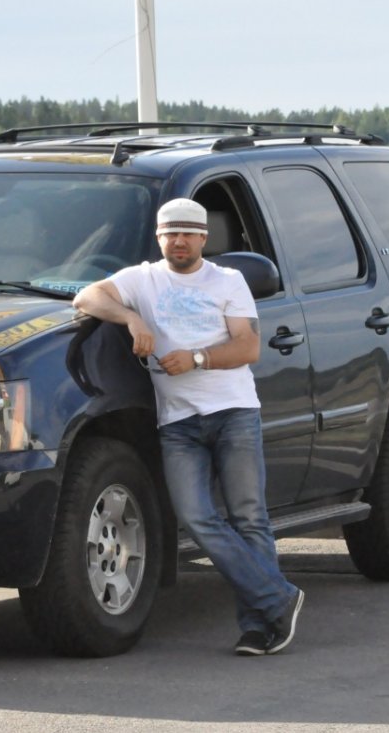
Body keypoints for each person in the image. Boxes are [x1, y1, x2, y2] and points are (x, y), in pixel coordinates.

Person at [73, 197, 304, 656]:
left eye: (188, 234)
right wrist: (132, 317)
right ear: (159, 238)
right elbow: (86, 297)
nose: (179, 241)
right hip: (178, 424)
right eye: (170, 233)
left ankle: (259, 626)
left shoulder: (228, 280)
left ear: (203, 238)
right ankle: (279, 597)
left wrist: (197, 358)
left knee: (249, 519)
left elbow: (248, 347)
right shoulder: (142, 279)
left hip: (234, 413)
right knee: (197, 517)